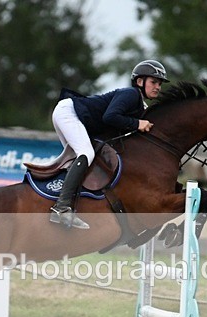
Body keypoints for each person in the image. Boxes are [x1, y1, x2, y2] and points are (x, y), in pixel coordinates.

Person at [49, 59, 169, 229]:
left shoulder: (140, 105)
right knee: (86, 154)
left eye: (160, 84)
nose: (158, 87)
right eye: (154, 82)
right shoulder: (131, 94)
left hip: (72, 114)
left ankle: (67, 205)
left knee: (82, 161)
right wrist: (137, 124)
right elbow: (110, 117)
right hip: (69, 112)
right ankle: (61, 207)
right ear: (140, 82)